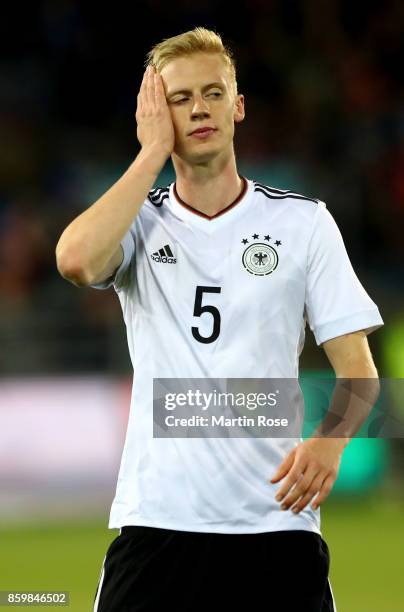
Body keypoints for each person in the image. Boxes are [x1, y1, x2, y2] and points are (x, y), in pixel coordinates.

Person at [55, 27, 383, 612]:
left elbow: (360, 372)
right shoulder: (137, 223)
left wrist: (331, 443)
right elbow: (76, 260)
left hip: (277, 528)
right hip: (158, 524)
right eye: (179, 99)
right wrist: (151, 153)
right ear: (156, 114)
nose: (199, 108)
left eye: (213, 92)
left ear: (238, 105)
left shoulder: (304, 224)